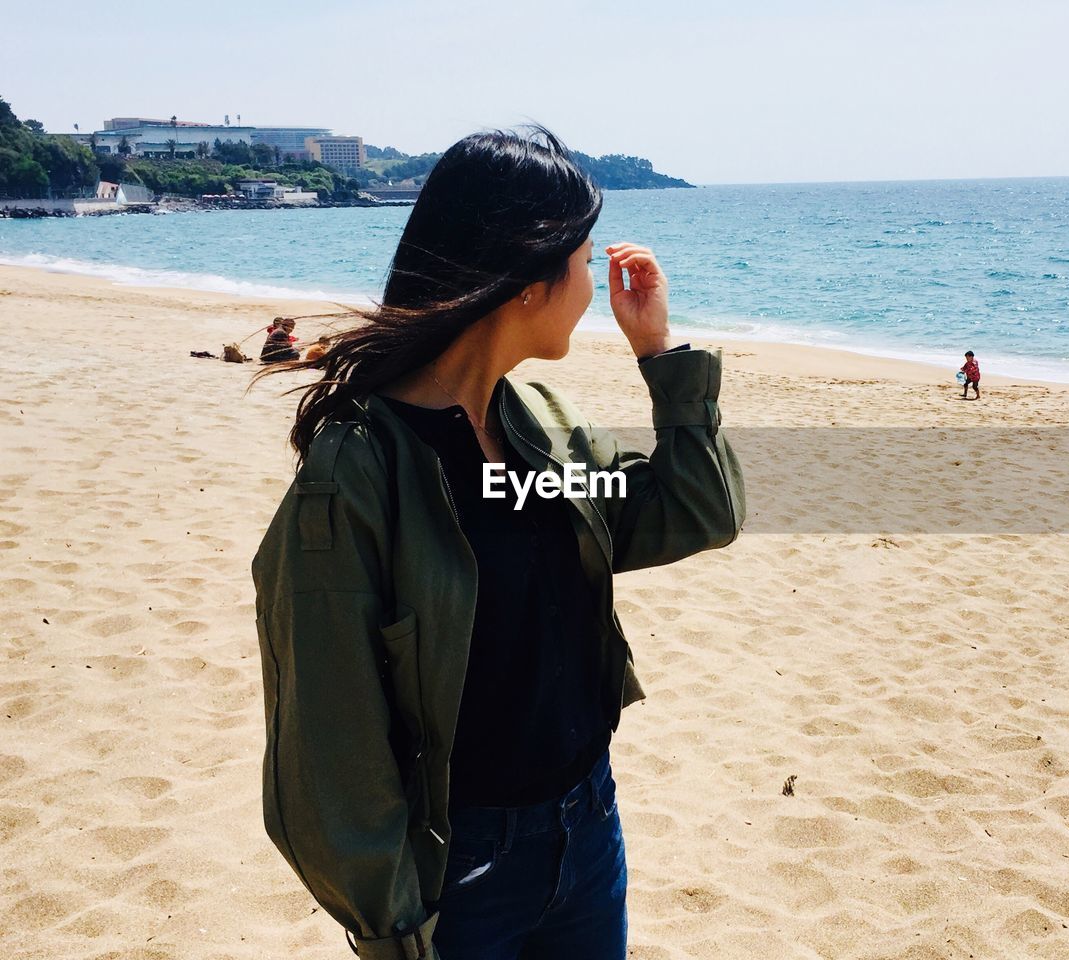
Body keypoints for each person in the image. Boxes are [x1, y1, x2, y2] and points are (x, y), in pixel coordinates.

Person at [251, 126, 745, 960]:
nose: (594, 289)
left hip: (587, 828)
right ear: (527, 279)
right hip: (459, 872)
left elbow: (698, 509)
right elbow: (329, 736)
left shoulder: (542, 434)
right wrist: (392, 926)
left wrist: (663, 355)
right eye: (586, 264)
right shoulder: (359, 472)